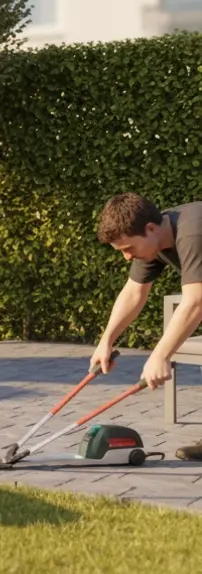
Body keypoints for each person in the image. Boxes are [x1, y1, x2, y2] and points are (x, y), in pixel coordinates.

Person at [91, 192, 202, 460]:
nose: (127, 257)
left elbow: (196, 301)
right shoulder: (154, 238)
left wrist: (160, 355)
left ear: (150, 229)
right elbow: (133, 293)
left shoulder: (192, 232)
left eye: (128, 249)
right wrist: (106, 342)